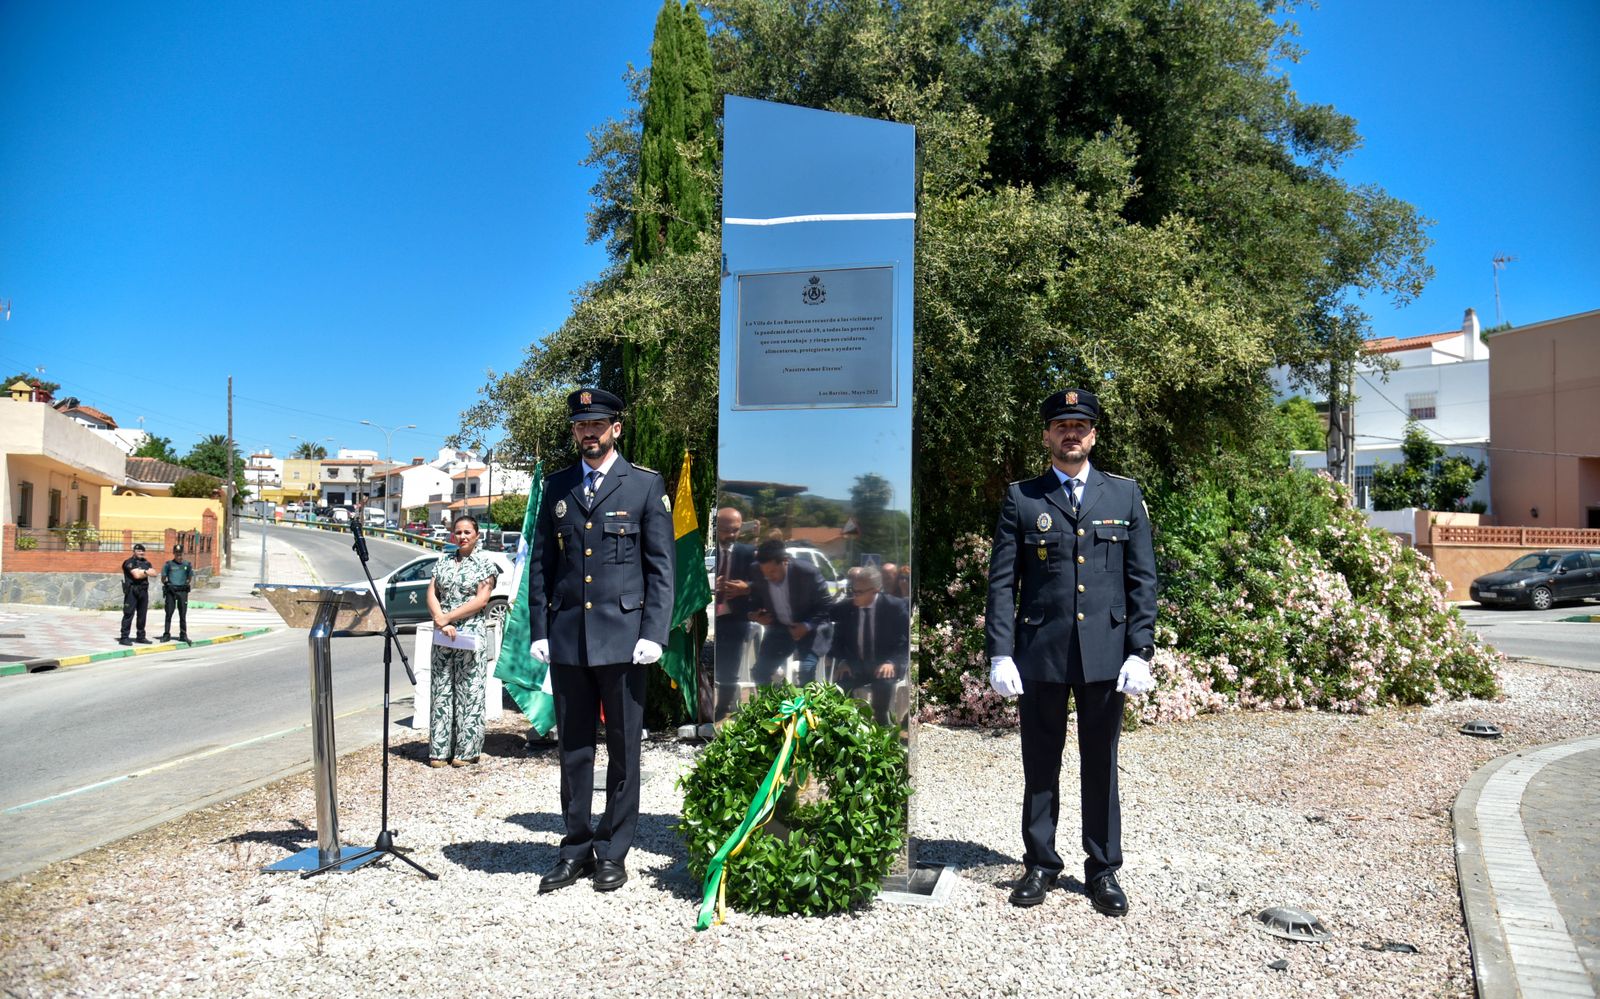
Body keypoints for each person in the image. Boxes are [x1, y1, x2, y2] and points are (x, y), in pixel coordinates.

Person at [985, 387, 1158, 915]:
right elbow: (1002, 583)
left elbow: (1142, 580)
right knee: (1040, 762)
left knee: (1100, 763)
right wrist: (1000, 653)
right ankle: (1040, 863)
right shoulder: (1024, 498)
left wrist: (1141, 650)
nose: (1071, 434)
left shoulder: (1123, 495)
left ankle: (1103, 870)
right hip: (1041, 652)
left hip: (1106, 654)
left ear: (1093, 435)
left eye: (1080, 426)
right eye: (1061, 426)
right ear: (1047, 435)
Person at [528, 388, 673, 894]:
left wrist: (654, 632)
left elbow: (661, 569)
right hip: (569, 638)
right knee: (573, 749)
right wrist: (540, 630)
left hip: (626, 640)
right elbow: (542, 566)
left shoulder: (645, 486)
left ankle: (612, 851)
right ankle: (574, 848)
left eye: (597, 424)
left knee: (624, 750)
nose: (588, 433)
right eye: (580, 425)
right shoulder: (557, 486)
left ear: (616, 428)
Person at [425, 514, 499, 768]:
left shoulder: (485, 564)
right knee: (441, 689)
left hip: (469, 633)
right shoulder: (443, 561)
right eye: (458, 532)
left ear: (477, 535)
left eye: (467, 532)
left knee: (469, 691)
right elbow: (432, 592)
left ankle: (466, 751)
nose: (463, 536)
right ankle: (439, 750)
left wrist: (448, 617)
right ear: (452, 535)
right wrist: (440, 620)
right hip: (443, 633)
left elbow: (481, 600)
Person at [829, 565, 910, 725]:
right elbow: (836, 639)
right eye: (853, 591)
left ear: (875, 591)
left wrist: (892, 662)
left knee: (883, 683)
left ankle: (882, 721)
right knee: (840, 684)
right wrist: (843, 660)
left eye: (859, 592)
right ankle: (845, 723)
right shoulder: (847, 608)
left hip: (885, 664)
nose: (854, 596)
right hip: (856, 664)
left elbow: (906, 640)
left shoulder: (893, 607)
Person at [748, 539, 831, 687]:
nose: (769, 577)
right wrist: (757, 614)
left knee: (806, 670)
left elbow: (827, 605)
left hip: (810, 629)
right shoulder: (756, 570)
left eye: (773, 572)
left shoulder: (807, 573)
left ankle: (807, 702)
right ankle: (774, 701)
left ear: (785, 561)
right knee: (760, 672)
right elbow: (755, 598)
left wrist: (807, 625)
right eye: (765, 573)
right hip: (780, 627)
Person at [710, 507, 758, 720]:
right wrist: (711, 584)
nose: (731, 535)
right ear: (716, 528)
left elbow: (765, 582)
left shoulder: (748, 553)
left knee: (730, 663)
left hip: (735, 617)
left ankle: (723, 708)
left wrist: (747, 588)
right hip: (708, 615)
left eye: (735, 530)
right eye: (725, 530)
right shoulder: (708, 552)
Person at [157, 545, 196, 643]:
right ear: (174, 554)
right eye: (177, 554)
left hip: (182, 591)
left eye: (181, 554)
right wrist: (168, 584)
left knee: (182, 614)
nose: (179, 556)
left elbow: (189, 577)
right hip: (171, 591)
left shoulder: (187, 565)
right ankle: (166, 634)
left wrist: (185, 583)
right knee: (169, 613)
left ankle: (183, 634)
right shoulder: (168, 565)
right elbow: (163, 578)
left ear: (183, 553)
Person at [118, 543, 154, 645]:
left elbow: (154, 573)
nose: (141, 553)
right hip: (132, 591)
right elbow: (136, 575)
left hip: (143, 591)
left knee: (142, 615)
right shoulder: (129, 562)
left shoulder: (146, 562)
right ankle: (124, 637)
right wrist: (146, 572)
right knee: (128, 614)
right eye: (138, 551)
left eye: (142, 551)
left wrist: (142, 571)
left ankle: (141, 637)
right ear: (134, 552)